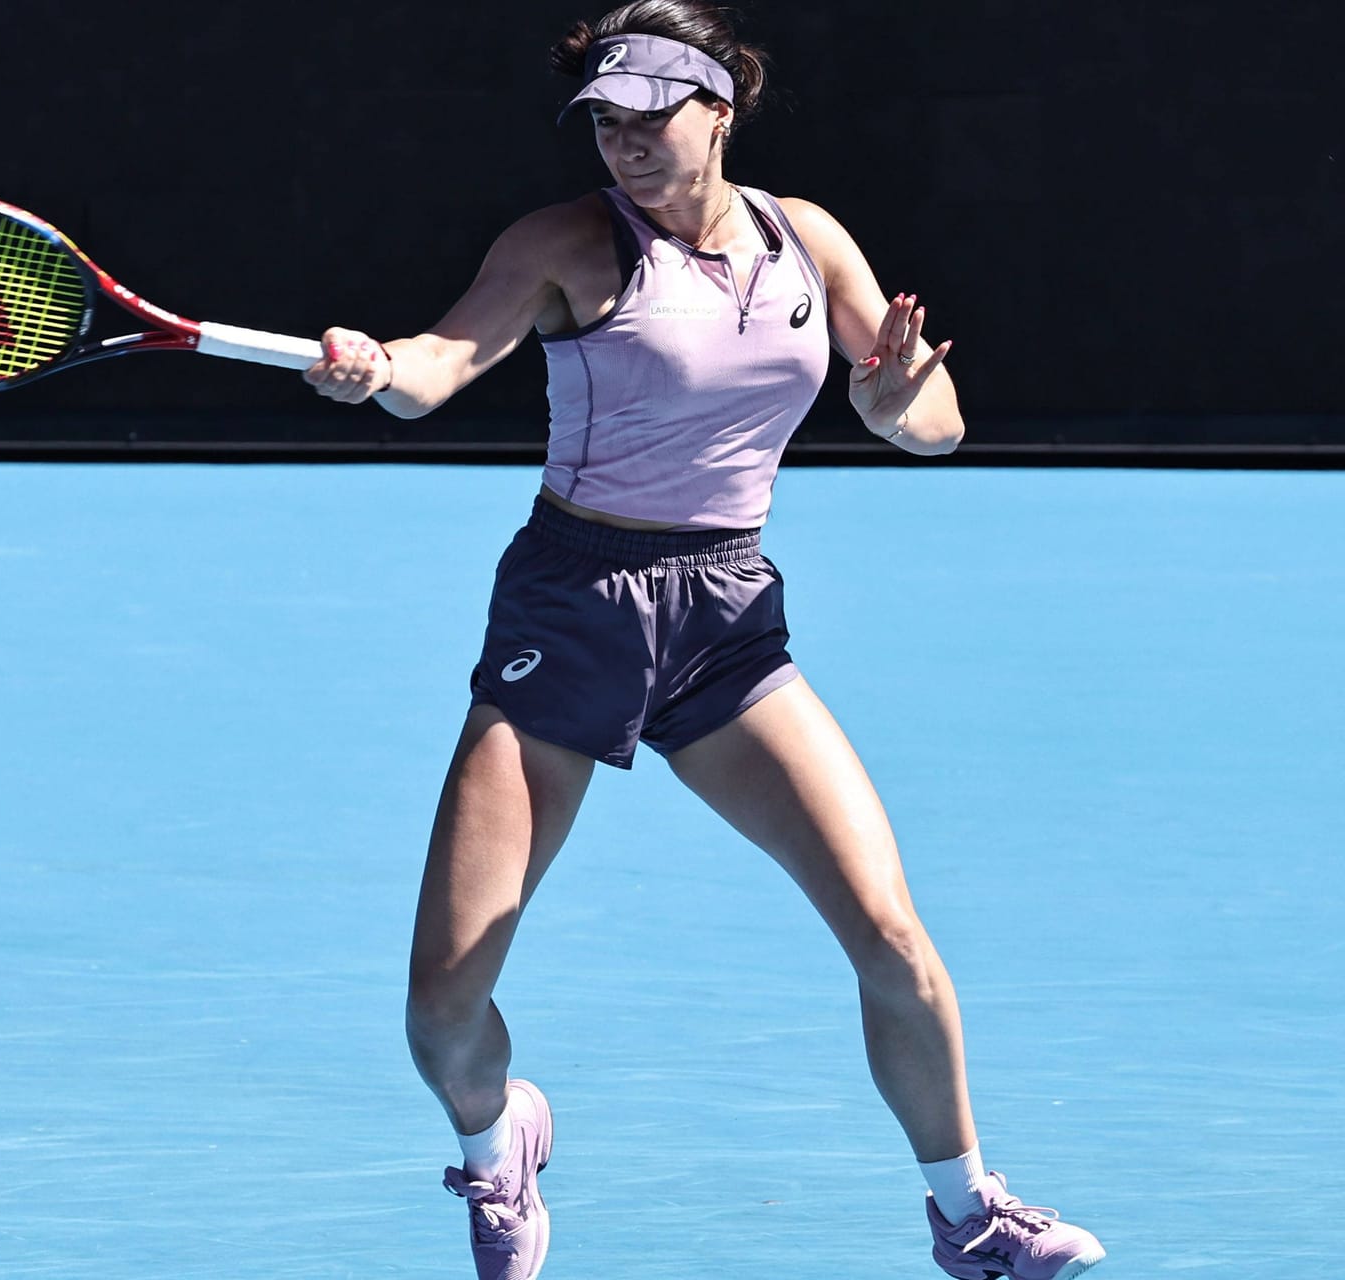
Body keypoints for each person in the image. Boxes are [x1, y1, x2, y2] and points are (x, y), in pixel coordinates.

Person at [302, 4, 1107, 1279]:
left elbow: (933, 416)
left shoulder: (805, 237)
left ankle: (968, 1210)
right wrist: (374, 364)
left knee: (892, 934)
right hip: (570, 613)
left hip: (728, 619)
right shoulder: (565, 244)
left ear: (718, 109)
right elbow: (441, 362)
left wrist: (899, 404)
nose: (623, 143)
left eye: (649, 117)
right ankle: (495, 1138)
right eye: (604, 123)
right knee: (443, 1006)